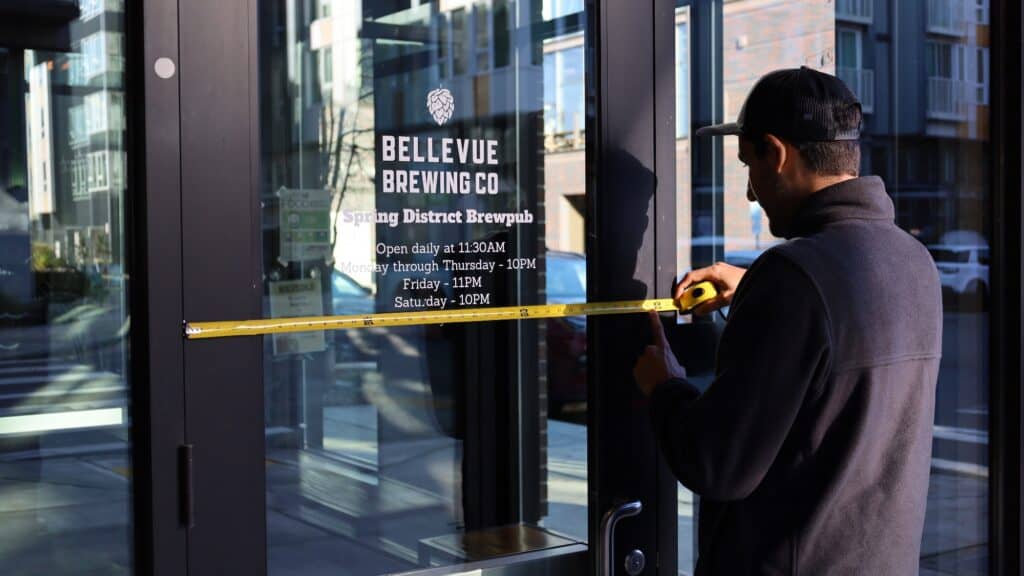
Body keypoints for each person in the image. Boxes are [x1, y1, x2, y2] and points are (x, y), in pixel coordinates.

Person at [633, 67, 943, 575]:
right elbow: (841, 343)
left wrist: (664, 387)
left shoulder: (793, 278)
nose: (752, 192)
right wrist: (757, 284)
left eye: (748, 165)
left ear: (776, 154)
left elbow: (719, 465)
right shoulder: (914, 261)